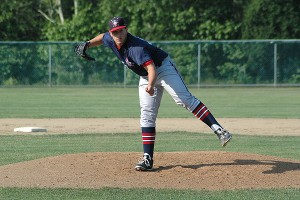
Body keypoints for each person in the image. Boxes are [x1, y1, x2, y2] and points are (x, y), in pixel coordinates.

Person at [74, 17, 232, 171]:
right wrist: (87, 44)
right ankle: (147, 159)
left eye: (121, 31)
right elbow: (102, 38)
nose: (119, 35)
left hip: (162, 69)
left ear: (126, 30)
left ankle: (220, 130)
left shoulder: (135, 48)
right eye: (115, 32)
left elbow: (151, 69)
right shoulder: (110, 38)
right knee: (146, 114)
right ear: (111, 33)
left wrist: (150, 85)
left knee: (184, 99)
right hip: (146, 75)